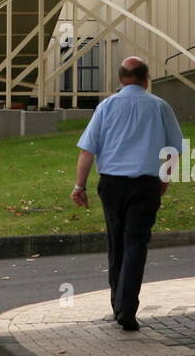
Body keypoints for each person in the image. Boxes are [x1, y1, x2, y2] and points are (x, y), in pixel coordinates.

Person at [70, 55, 183, 332]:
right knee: (136, 244)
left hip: (111, 184)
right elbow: (174, 149)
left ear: (120, 79)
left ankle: (117, 304)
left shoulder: (106, 107)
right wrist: (165, 178)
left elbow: (88, 150)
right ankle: (127, 308)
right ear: (147, 79)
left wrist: (79, 186)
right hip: (145, 184)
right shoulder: (160, 107)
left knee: (116, 242)